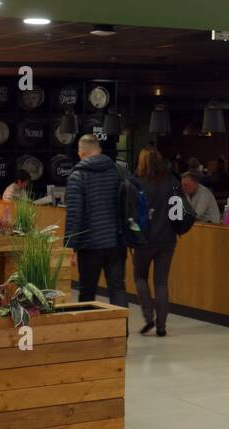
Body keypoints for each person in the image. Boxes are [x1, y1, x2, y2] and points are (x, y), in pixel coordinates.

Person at [64, 134, 127, 308]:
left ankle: (86, 332)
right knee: (118, 288)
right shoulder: (117, 171)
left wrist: (70, 246)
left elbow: (75, 215)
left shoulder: (78, 176)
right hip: (116, 240)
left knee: (87, 291)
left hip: (90, 244)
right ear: (98, 150)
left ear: (81, 152)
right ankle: (122, 331)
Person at [131, 147, 178, 337]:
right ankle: (162, 325)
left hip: (144, 239)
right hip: (167, 238)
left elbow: (131, 212)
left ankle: (148, 316)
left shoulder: (136, 183)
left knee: (140, 277)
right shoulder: (171, 182)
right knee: (161, 282)